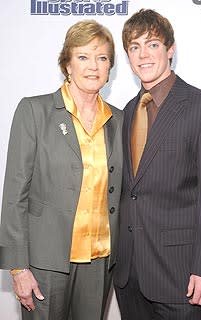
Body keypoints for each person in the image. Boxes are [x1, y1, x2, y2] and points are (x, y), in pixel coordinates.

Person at [113, 9, 201, 320]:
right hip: (130, 276)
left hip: (182, 277)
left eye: (152, 44)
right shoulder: (127, 112)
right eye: (134, 47)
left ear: (170, 49)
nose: (143, 55)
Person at [0, 19, 123, 320]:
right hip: (45, 263)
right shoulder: (34, 111)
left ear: (110, 69)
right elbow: (15, 194)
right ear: (67, 64)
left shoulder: (120, 121)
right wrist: (18, 267)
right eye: (83, 56)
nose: (93, 66)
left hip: (99, 261)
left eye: (102, 58)